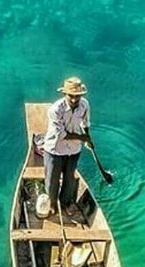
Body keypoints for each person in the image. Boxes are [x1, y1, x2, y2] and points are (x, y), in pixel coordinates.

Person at [42, 77, 93, 218]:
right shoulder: (55, 110)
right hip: (55, 149)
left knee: (70, 178)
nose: (75, 99)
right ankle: (52, 203)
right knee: (52, 179)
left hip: (74, 149)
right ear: (65, 94)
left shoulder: (85, 105)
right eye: (71, 96)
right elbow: (62, 134)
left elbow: (86, 123)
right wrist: (82, 138)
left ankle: (65, 202)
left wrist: (88, 138)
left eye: (77, 96)